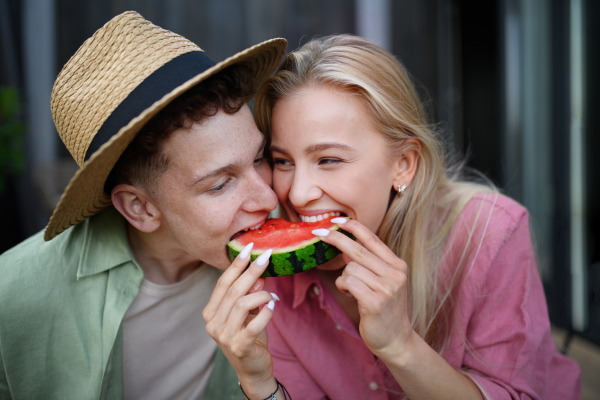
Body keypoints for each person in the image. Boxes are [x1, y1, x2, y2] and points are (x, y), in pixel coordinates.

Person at [206, 35, 581, 399]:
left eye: (329, 160)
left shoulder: (489, 234)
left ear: (403, 164)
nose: (298, 193)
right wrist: (259, 383)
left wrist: (400, 346)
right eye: (282, 161)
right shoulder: (273, 274)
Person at [0, 11, 287, 400]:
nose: (269, 199)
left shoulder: (294, 254)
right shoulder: (11, 298)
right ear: (140, 209)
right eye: (220, 184)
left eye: (259, 158)